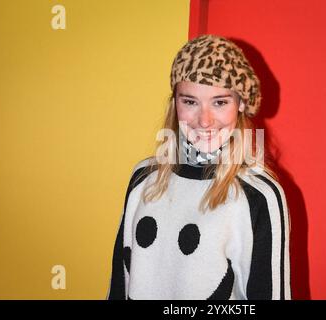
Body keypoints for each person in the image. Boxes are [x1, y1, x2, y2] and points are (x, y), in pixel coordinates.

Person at [107, 34, 291, 300]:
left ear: (240, 103)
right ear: (175, 102)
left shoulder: (259, 195)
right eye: (190, 101)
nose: (204, 121)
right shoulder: (143, 178)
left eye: (219, 102)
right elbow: (118, 286)